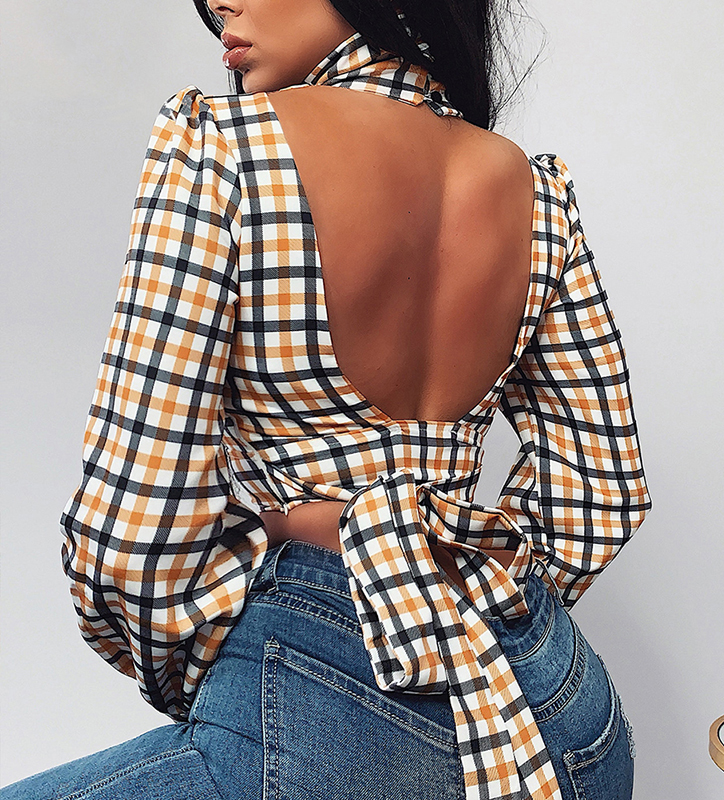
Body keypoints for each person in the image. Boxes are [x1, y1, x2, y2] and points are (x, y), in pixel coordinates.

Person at [0, 1, 651, 798]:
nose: (218, 2)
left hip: (328, 706)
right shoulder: (538, 193)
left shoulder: (222, 149)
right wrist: (442, 577)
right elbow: (602, 490)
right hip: (565, 711)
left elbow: (131, 540)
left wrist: (247, 649)